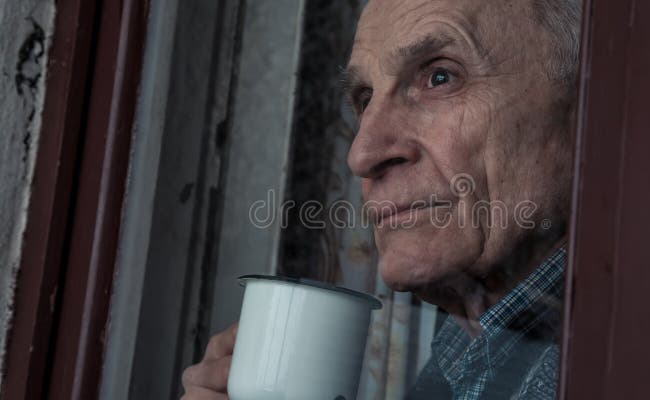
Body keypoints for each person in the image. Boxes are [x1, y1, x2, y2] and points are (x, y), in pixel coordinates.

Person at [181, 0, 581, 398]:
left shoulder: (620, 354)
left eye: (440, 77)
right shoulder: (469, 355)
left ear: (588, 105)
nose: (362, 154)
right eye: (364, 98)